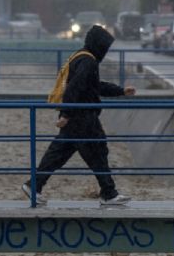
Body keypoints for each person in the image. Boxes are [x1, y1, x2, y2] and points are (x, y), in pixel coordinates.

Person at [23, 25, 136, 205]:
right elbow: (74, 88)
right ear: (99, 45)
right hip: (83, 117)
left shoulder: (81, 57)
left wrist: (121, 91)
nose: (105, 51)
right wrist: (66, 114)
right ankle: (109, 193)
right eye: (105, 47)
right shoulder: (88, 61)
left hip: (77, 116)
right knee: (97, 152)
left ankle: (34, 185)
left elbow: (94, 86)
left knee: (59, 154)